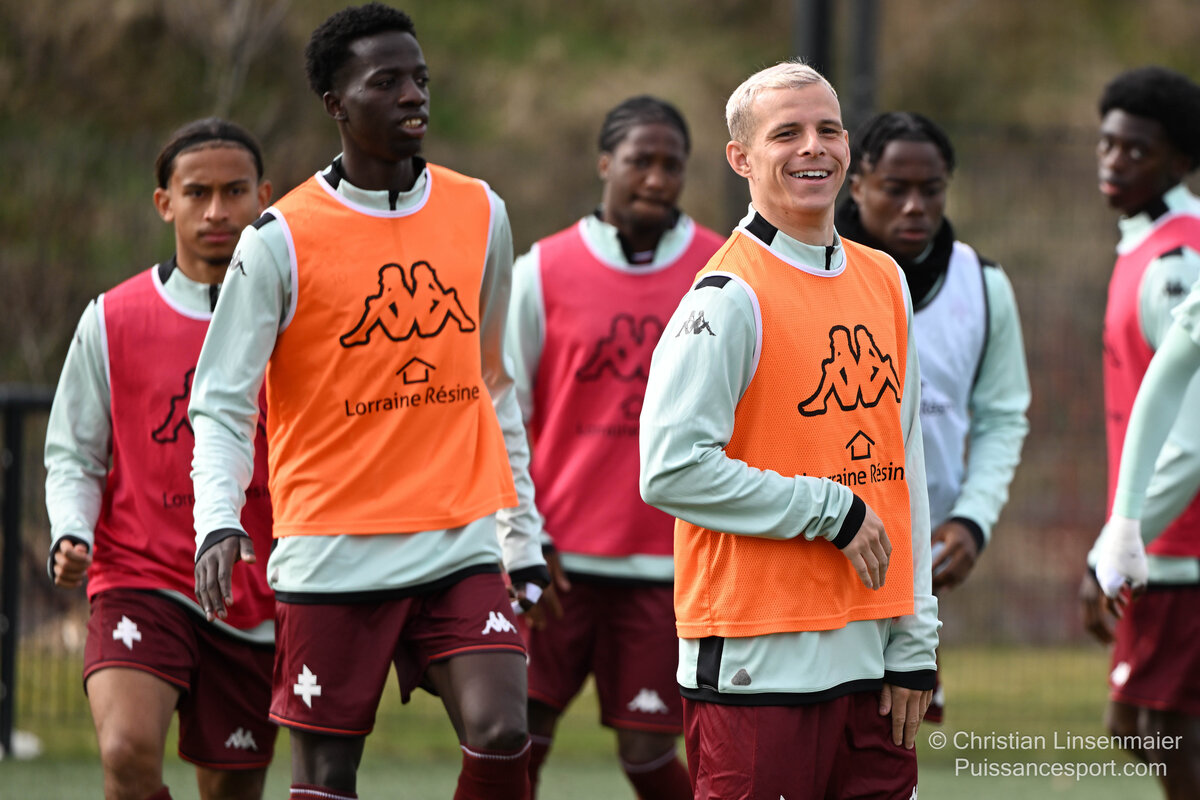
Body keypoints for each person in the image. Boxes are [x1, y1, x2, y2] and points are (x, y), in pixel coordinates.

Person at [187, 5, 549, 800]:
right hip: (331, 551)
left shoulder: (481, 211)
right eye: (386, 82)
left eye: (420, 78)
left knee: (503, 733)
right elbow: (220, 402)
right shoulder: (279, 238)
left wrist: (520, 534)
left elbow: (494, 382)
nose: (413, 95)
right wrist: (218, 519)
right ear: (336, 104)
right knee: (326, 775)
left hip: (458, 541)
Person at [639, 61, 939, 799]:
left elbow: (906, 469)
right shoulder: (726, 295)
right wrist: (829, 508)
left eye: (828, 129)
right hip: (757, 659)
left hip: (872, 660)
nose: (813, 147)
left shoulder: (885, 279)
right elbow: (670, 468)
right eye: (787, 134)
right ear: (741, 158)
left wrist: (913, 640)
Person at [44, 118, 275, 800]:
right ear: (164, 203)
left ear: (264, 197)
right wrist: (71, 530)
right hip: (140, 575)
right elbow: (74, 453)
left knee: (231, 790)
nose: (217, 211)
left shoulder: (296, 320)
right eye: (197, 192)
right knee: (125, 753)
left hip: (255, 590)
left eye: (235, 191)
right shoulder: (112, 317)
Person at [505, 95, 724, 798]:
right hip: (556, 563)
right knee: (513, 743)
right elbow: (504, 411)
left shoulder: (723, 268)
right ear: (606, 163)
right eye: (639, 161)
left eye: (672, 164)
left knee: (649, 757)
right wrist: (521, 536)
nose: (656, 178)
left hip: (670, 561)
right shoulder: (541, 269)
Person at [835, 111, 1030, 722]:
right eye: (896, 189)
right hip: (822, 542)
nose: (915, 206)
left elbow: (1003, 418)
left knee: (896, 731)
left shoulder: (984, 285)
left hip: (923, 558)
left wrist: (972, 521)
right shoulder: (809, 272)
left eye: (932, 189)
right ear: (856, 185)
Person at [1084, 65, 1200, 800]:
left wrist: (1118, 544)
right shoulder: (1146, 245)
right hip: (1162, 542)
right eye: (1107, 143)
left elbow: (1191, 441)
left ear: (1181, 159)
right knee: (1139, 724)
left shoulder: (1175, 264)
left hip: (1181, 547)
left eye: (1137, 149)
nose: (1114, 161)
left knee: (1157, 727)